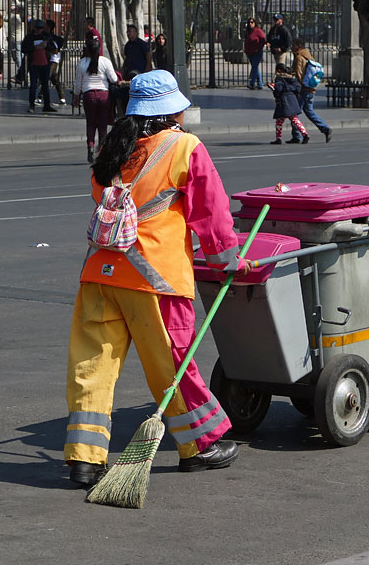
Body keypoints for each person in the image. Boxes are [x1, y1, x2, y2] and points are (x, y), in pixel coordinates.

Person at [65, 69, 247, 486]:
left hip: (99, 274)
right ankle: (200, 446)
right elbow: (212, 213)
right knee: (172, 364)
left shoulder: (114, 149)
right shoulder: (185, 148)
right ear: (172, 112)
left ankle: (84, 459)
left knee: (91, 367)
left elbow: (102, 197)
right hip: (155, 278)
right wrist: (226, 262)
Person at [73, 37, 118, 163]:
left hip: (88, 96)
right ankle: (102, 149)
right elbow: (114, 79)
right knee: (102, 124)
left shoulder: (82, 63)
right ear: (99, 49)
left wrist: (76, 96)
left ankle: (90, 146)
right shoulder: (105, 62)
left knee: (91, 123)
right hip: (103, 95)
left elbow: (77, 83)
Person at [290, 38, 332, 143]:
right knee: (309, 111)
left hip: (303, 89)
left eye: (293, 45)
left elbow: (299, 75)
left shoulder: (299, 57)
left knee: (295, 112)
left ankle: (297, 135)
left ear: (299, 46)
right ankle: (325, 128)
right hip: (311, 88)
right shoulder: (309, 55)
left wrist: (296, 87)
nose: (291, 47)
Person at [21, 19, 58, 114]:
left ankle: (47, 105)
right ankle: (31, 105)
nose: (39, 30)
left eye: (41, 28)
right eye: (37, 28)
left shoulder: (46, 36)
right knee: (33, 85)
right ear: (34, 28)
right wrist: (34, 47)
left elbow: (54, 49)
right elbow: (24, 49)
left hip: (45, 63)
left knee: (45, 85)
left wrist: (46, 45)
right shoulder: (29, 37)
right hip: (34, 64)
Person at [269, 64, 309, 145]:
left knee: (279, 121)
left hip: (283, 100)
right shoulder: (292, 77)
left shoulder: (279, 78)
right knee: (294, 119)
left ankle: (278, 138)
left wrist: (273, 89)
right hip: (292, 99)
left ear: (279, 70)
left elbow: (279, 89)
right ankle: (305, 134)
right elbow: (298, 87)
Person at [46, 19, 67, 105]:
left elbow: (57, 45)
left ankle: (40, 97)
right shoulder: (46, 36)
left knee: (46, 77)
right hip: (49, 59)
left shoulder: (52, 37)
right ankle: (62, 98)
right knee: (55, 79)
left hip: (53, 60)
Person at [244, 17, 266, 89]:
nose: (250, 24)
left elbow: (263, 40)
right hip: (250, 52)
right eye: (249, 22)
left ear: (255, 23)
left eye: (252, 22)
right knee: (255, 67)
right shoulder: (248, 32)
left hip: (257, 52)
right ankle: (260, 83)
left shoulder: (258, 31)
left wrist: (258, 48)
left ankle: (252, 83)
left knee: (254, 66)